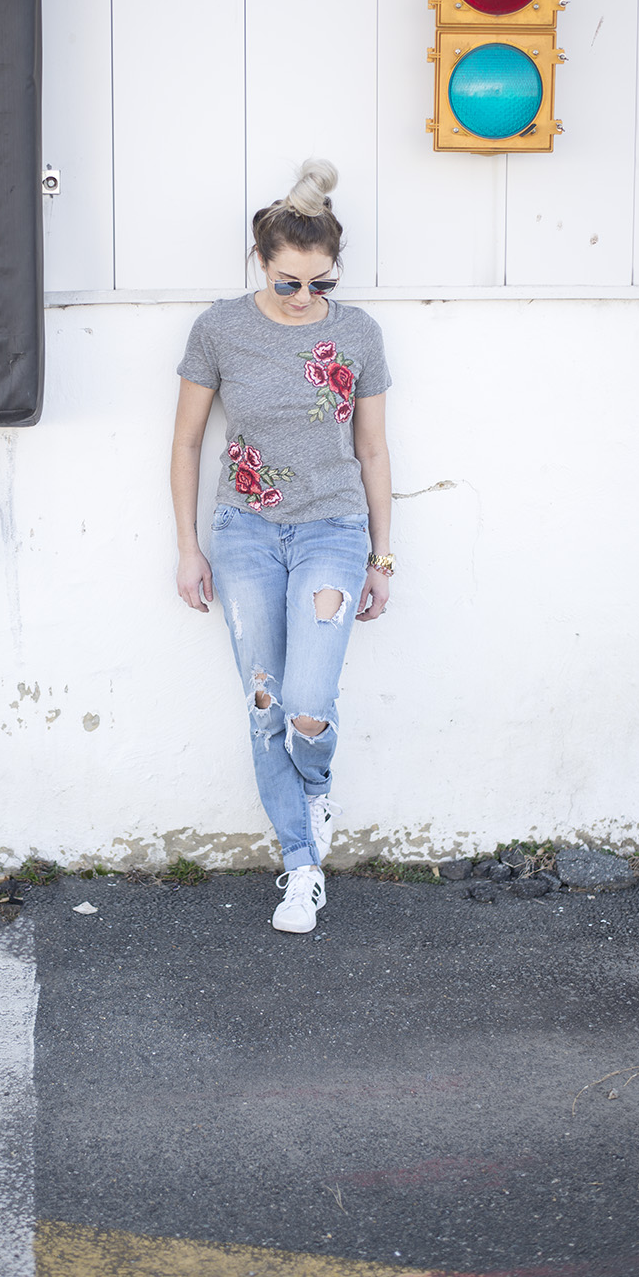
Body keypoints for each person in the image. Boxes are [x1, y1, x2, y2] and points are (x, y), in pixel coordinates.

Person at [170, 160, 393, 933]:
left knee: (304, 704)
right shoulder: (220, 329)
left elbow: (372, 451)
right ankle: (302, 867)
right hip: (245, 534)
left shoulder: (358, 333)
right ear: (258, 264)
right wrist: (188, 546)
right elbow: (189, 442)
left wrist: (382, 556)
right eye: (289, 283)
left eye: (320, 285)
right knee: (264, 702)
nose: (306, 300)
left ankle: (315, 783)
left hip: (333, 529)